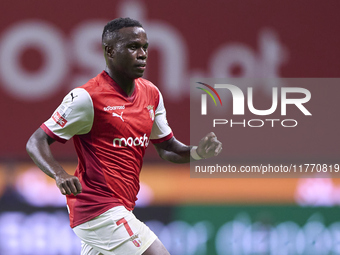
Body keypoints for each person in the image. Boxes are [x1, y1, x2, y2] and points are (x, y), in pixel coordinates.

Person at [26, 17, 222, 255]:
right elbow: (36, 141)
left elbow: (167, 147)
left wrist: (197, 153)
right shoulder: (87, 98)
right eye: (133, 47)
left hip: (120, 207)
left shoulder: (151, 94)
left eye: (145, 47)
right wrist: (59, 174)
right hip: (97, 207)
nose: (142, 54)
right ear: (109, 51)